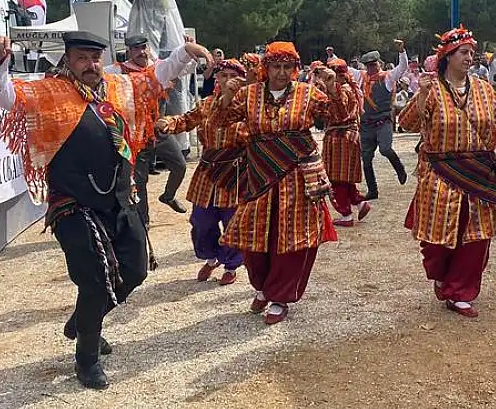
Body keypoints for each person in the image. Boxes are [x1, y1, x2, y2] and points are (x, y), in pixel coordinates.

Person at [0, 31, 208, 389]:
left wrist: (184, 52)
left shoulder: (118, 87)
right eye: (82, 58)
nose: (90, 65)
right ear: (68, 60)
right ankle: (86, 358)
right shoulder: (48, 92)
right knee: (94, 281)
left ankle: (84, 321)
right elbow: (5, 95)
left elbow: (157, 77)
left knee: (134, 271)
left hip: (119, 197)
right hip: (73, 204)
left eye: (95, 58)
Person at [212, 42, 347, 324]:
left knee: (292, 238)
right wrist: (225, 95)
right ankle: (262, 286)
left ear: (295, 69)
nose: (282, 73)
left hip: (298, 175)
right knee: (254, 236)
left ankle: (280, 296)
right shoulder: (249, 95)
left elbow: (338, 116)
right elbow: (221, 122)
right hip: (259, 173)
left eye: (288, 67)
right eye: (276, 66)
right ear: (266, 68)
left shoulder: (308, 93)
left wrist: (334, 88)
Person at [399, 26, 496, 318]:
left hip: (480, 170)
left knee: (477, 235)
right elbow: (406, 123)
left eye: (471, 53)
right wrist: (420, 96)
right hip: (440, 172)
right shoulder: (432, 88)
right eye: (464, 53)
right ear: (448, 56)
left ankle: (461, 290)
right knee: (435, 239)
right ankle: (442, 275)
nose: (470, 58)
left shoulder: (484, 88)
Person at [156, 58, 249, 285]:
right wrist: (168, 122)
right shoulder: (207, 104)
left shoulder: (250, 107)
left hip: (236, 173)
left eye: (233, 76)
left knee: (232, 223)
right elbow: (186, 120)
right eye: (223, 75)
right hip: (207, 172)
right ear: (216, 78)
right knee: (201, 221)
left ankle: (231, 265)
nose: (228, 81)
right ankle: (211, 257)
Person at [107, 34, 193, 223]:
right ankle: (142, 221)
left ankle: (168, 196)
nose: (141, 52)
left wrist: (190, 49)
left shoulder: (157, 67)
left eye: (143, 47)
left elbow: (185, 68)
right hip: (137, 135)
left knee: (179, 165)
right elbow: (100, 77)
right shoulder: (118, 70)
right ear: (129, 51)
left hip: (158, 130)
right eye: (136, 49)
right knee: (139, 180)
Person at [350, 42, 409, 199]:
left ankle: (400, 169)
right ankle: (373, 190)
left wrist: (402, 51)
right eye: (368, 65)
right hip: (366, 125)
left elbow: (402, 67)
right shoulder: (360, 77)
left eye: (374, 64)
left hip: (383, 122)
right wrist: (331, 59)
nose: (371, 68)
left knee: (385, 149)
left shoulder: (387, 77)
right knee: (366, 159)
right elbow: (345, 69)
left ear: (379, 63)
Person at [316, 57, 370, 227]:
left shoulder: (341, 91)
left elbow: (340, 113)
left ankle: (345, 213)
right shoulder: (350, 88)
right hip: (348, 136)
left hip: (340, 138)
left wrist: (330, 88)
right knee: (344, 176)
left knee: (335, 178)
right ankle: (359, 201)